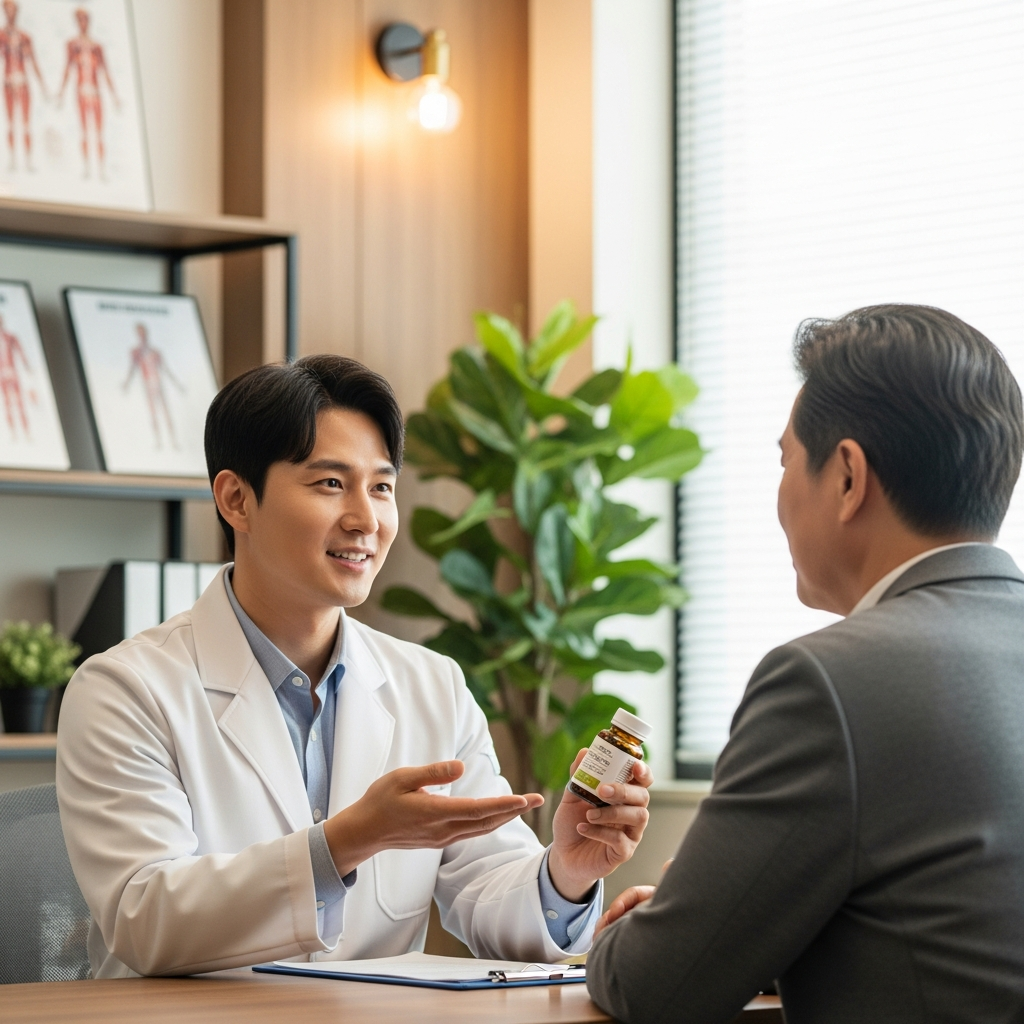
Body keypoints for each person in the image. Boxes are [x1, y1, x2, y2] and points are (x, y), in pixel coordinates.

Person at [56, 355, 652, 978]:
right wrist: (345, 842)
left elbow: (490, 895)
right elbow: (145, 919)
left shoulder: (433, 686)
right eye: (330, 484)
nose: (366, 520)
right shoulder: (125, 689)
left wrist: (568, 871)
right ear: (236, 498)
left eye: (382, 487)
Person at [586, 305, 1024, 1023]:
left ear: (848, 477)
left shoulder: (829, 683)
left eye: (785, 459)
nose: (782, 494)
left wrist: (662, 925)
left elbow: (655, 987)